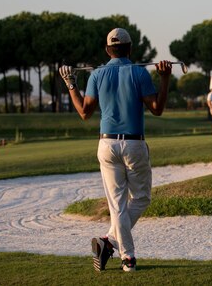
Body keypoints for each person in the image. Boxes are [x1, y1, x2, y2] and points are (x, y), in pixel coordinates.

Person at [59, 28, 172, 273]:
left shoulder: (97, 74)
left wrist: (70, 84)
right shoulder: (139, 72)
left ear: (107, 50)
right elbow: (157, 109)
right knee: (141, 198)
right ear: (130, 49)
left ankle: (109, 242)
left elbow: (84, 112)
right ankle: (127, 258)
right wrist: (165, 78)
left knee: (117, 205)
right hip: (134, 144)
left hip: (107, 144)